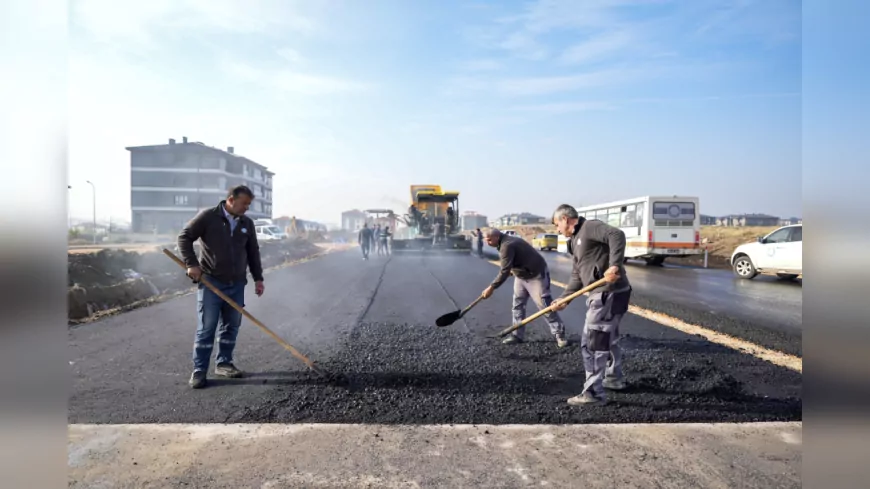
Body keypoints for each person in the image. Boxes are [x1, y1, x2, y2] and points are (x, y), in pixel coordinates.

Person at [177, 185, 265, 389]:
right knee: (207, 327)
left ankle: (224, 363)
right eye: (244, 204)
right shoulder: (208, 217)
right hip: (211, 282)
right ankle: (199, 371)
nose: (246, 208)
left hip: (237, 283)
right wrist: (191, 264)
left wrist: (258, 278)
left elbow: (253, 252)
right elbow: (184, 237)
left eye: (248, 204)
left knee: (231, 325)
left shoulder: (247, 223)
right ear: (231, 200)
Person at [550, 204, 631, 406]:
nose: (557, 230)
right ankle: (613, 378)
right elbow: (578, 274)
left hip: (608, 294)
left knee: (593, 343)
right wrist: (565, 298)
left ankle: (593, 393)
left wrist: (614, 265)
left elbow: (617, 234)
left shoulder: (590, 227)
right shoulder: (573, 242)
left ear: (565, 219)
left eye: (556, 225)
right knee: (608, 338)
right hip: (609, 295)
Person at [481, 228, 568, 348]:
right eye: (486, 240)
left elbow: (504, 271)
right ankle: (517, 335)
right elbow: (516, 260)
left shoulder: (507, 245)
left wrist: (491, 287)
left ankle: (560, 335)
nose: (487, 243)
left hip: (536, 274)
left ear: (496, 237)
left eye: (489, 240)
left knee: (544, 305)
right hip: (521, 275)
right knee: (517, 304)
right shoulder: (504, 242)